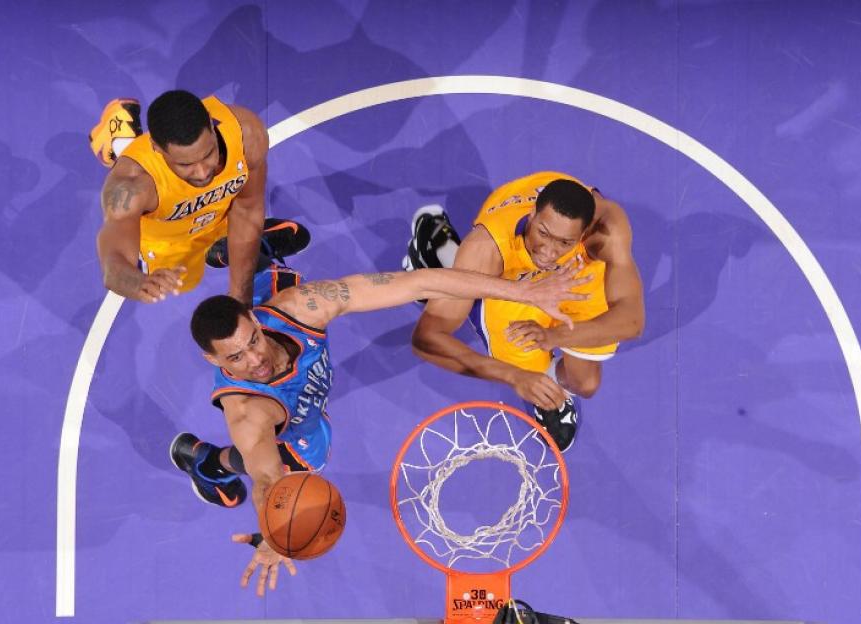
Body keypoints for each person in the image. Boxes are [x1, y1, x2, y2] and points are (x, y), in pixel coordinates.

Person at [170, 262, 587, 596]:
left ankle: (253, 254)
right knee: (302, 460)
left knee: (275, 276)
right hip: (295, 425)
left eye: (254, 341)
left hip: (276, 317)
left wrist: (525, 291)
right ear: (213, 361)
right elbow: (267, 477)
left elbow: (417, 281)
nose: (255, 360)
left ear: (257, 323)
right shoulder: (247, 411)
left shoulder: (301, 307)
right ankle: (210, 462)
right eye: (236, 358)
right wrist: (274, 533)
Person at [406, 171, 645, 451]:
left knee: (586, 384)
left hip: (575, 272)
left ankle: (450, 272)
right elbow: (426, 339)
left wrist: (553, 337)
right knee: (523, 357)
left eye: (564, 242)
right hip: (510, 274)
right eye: (543, 233)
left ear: (585, 233)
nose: (548, 250)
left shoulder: (606, 228)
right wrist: (514, 376)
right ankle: (445, 259)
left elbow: (632, 320)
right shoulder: (487, 247)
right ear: (532, 215)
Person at [92, 92, 309, 304]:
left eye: (208, 154)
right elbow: (114, 264)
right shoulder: (132, 186)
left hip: (218, 213)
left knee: (239, 236)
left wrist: (240, 299)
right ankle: (121, 141)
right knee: (184, 282)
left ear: (211, 127)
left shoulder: (246, 134)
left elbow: (247, 208)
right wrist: (134, 281)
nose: (203, 172)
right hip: (169, 240)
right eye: (185, 164)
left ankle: (224, 246)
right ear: (157, 148)